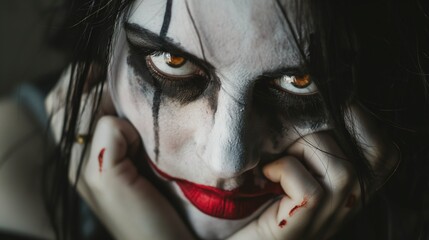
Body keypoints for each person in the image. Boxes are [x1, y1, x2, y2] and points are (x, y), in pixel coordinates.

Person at [1, 0, 429, 239]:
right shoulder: (11, 179)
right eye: (173, 63)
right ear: (106, 30)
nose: (227, 160)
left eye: (301, 81)